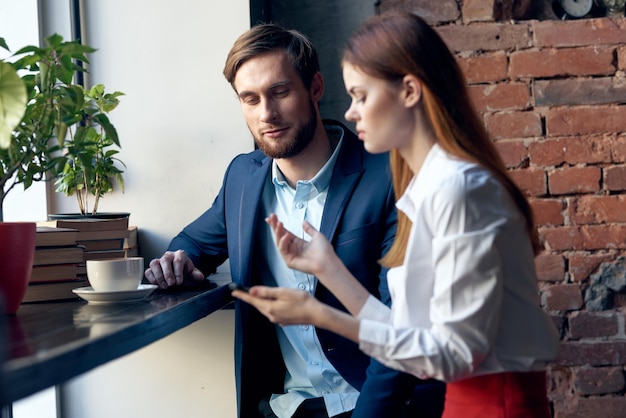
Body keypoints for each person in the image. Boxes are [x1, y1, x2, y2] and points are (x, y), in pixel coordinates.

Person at [232, 12, 560, 418]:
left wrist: (322, 315)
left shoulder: (459, 189)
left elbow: (448, 357)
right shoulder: (427, 187)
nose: (350, 113)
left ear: (408, 91)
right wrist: (328, 267)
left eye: (361, 96)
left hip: (497, 406)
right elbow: (410, 337)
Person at [144, 23, 445, 418]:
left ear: (315, 88)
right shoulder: (242, 177)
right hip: (283, 406)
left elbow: (401, 327)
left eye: (279, 92)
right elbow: (195, 244)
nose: (266, 114)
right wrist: (178, 261)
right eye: (249, 99)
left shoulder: (389, 175)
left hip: (371, 402)